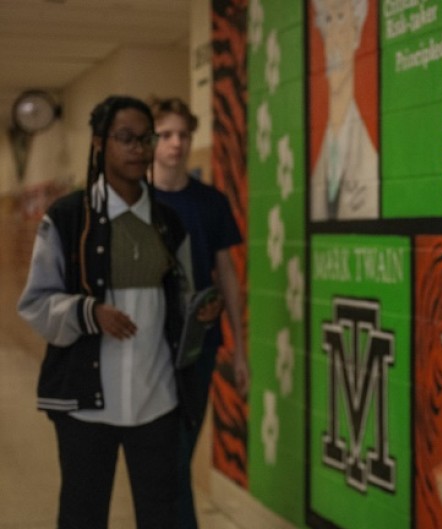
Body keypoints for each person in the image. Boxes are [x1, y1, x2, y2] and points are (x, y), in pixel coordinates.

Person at [17, 95, 194, 529]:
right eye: (125, 138)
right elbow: (35, 303)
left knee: (162, 514)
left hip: (157, 401)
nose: (138, 148)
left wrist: (198, 316)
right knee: (83, 514)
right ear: (99, 144)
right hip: (87, 406)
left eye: (144, 138)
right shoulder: (67, 217)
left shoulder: (168, 222)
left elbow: (183, 298)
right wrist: (89, 312)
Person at [149, 96, 249, 529]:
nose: (175, 143)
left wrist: (241, 350)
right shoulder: (132, 200)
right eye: (166, 134)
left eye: (183, 135)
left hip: (198, 346)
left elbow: (226, 272)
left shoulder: (210, 202)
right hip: (145, 348)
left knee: (179, 452)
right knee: (159, 459)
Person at [309, 0, 379, 220]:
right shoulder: (319, 167)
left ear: (357, 32)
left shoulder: (370, 161)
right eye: (327, 20)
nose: (333, 37)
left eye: (340, 18)